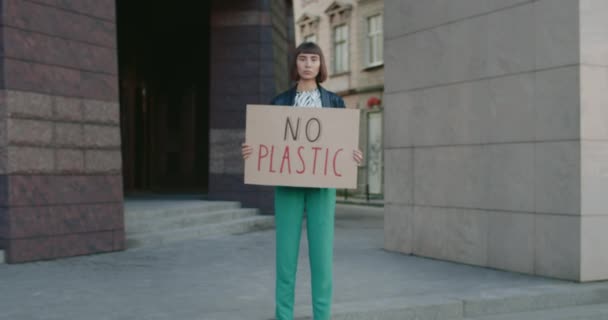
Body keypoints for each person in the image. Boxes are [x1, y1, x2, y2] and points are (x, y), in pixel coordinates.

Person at [242, 42, 363, 320]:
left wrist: (353, 155)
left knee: (322, 259)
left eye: (313, 59)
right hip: (287, 187)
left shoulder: (335, 102)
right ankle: (283, 316)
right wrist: (252, 150)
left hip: (322, 187)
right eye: (303, 59)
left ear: (321, 65)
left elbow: (342, 144)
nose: (308, 64)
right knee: (285, 258)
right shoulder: (280, 102)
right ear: (295, 64)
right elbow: (268, 143)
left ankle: (322, 316)